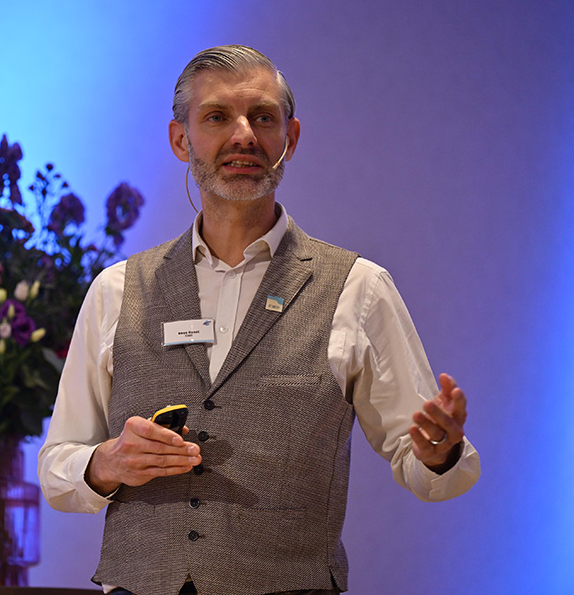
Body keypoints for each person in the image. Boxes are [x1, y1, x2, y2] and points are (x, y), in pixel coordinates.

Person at [38, 45, 480, 595]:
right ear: (181, 140)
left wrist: (440, 455)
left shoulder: (358, 289)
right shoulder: (117, 290)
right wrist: (107, 463)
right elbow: (58, 466)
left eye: (262, 117)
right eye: (217, 117)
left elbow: (420, 465)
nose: (244, 135)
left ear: (289, 138)